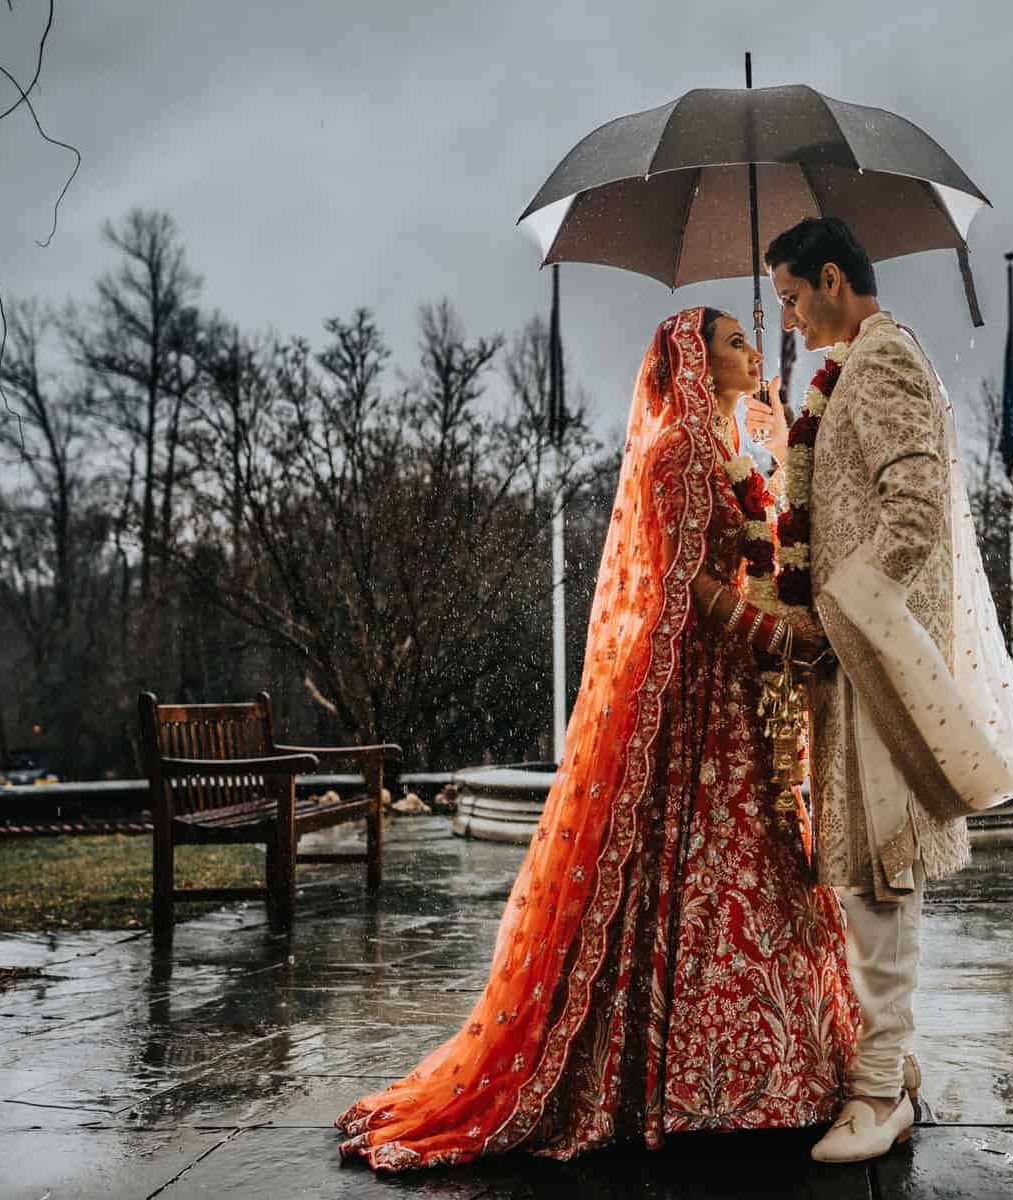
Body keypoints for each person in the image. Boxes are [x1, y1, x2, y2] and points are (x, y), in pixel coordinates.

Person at [336, 306, 859, 1171]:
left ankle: (765, 1069)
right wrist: (775, 637)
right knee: (692, 868)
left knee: (745, 863)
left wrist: (769, 455)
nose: (751, 349)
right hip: (690, 690)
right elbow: (688, 585)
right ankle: (701, 1082)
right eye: (735, 341)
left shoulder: (723, 441)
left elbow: (757, 553)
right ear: (693, 361)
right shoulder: (680, 451)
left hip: (723, 692)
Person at [765, 217, 1013, 1163]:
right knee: (865, 872)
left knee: (881, 871)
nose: (790, 320)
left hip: (875, 655)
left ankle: (879, 1094)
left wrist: (837, 611)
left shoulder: (881, 363)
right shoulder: (854, 367)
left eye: (793, 299)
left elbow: (913, 513)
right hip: (860, 655)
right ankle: (894, 1063)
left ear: (833, 278)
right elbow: (848, 499)